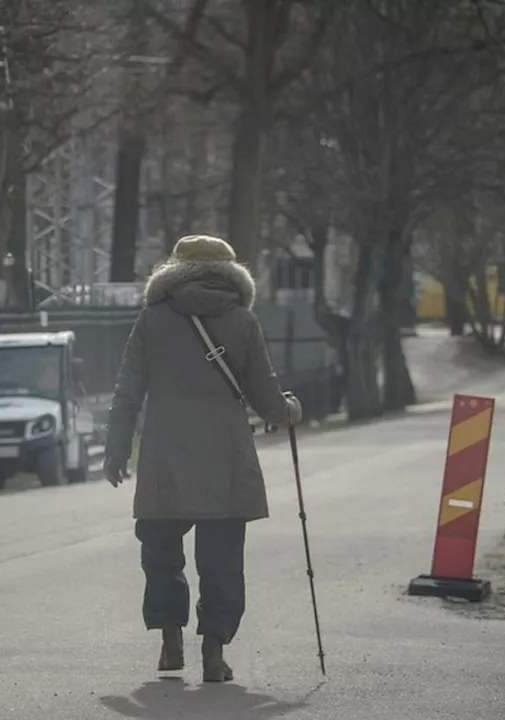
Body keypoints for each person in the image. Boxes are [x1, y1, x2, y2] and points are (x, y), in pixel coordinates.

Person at [104, 234, 303, 683]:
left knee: (161, 553)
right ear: (232, 273)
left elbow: (127, 390)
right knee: (221, 559)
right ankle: (214, 654)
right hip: (225, 460)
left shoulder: (152, 320)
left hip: (164, 458)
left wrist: (117, 449)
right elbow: (267, 398)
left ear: (175, 269)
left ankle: (170, 642)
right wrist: (289, 410)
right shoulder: (242, 321)